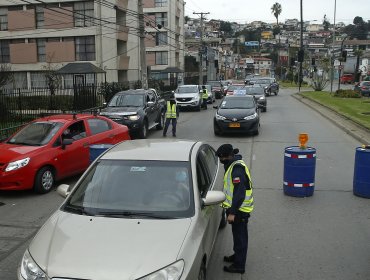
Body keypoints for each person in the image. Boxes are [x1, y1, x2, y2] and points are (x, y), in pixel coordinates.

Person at [216, 144, 254, 275]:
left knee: (240, 238)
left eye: (221, 158)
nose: (220, 160)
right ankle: (237, 256)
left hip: (239, 210)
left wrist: (232, 213)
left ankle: (239, 266)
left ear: (227, 156)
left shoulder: (236, 170)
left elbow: (239, 193)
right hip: (237, 209)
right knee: (237, 236)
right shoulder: (233, 163)